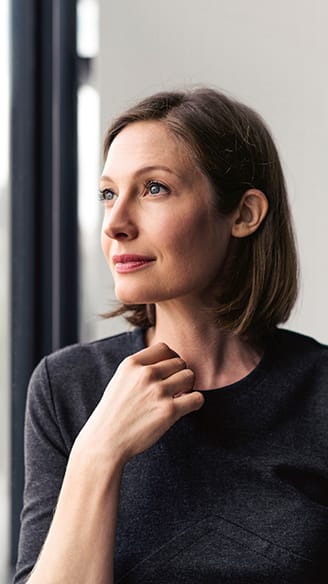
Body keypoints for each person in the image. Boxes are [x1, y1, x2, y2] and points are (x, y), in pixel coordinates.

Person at [14, 88, 327, 584]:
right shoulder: (65, 387)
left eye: (154, 188)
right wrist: (99, 454)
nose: (115, 224)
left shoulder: (320, 393)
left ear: (244, 214)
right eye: (108, 193)